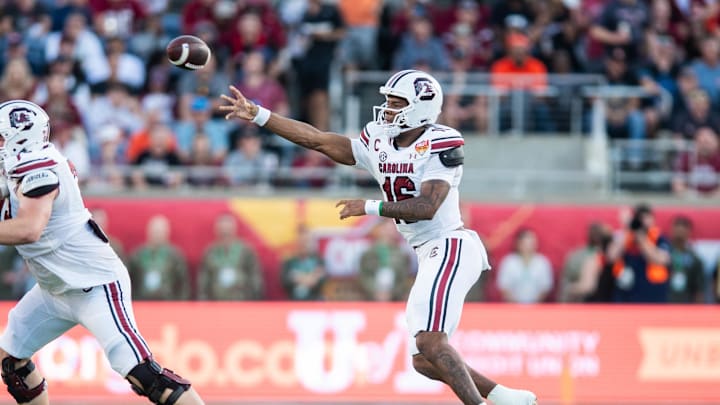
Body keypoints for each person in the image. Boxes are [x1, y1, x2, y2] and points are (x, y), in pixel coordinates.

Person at [220, 69, 537, 405]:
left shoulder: (442, 142)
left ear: (421, 108)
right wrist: (260, 115)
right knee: (423, 360)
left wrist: (369, 207)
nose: (386, 108)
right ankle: (503, 396)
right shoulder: (379, 139)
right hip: (429, 251)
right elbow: (317, 139)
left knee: (431, 342)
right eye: (387, 100)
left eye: (397, 102)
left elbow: (428, 206)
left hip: (451, 245)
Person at [0, 100, 204, 404]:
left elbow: (30, 228)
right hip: (55, 289)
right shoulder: (20, 163)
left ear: (19, 138)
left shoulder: (38, 168)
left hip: (95, 284)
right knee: (11, 361)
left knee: (145, 375)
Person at [606, 203, 671, 303]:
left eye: (646, 218)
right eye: (639, 218)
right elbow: (611, 257)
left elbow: (660, 260)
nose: (643, 222)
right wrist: (627, 229)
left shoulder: (660, 239)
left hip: (652, 297)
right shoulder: (623, 236)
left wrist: (639, 235)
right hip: (626, 296)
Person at [198, 213, 264, 300]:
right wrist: (203, 300)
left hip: (242, 302)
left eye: (228, 229)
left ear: (234, 229)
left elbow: (255, 278)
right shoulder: (210, 252)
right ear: (217, 230)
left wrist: (255, 300)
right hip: (216, 303)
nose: (225, 232)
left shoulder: (246, 251)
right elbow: (204, 280)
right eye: (222, 229)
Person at [128, 215, 191, 301]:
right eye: (155, 231)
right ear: (148, 231)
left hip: (168, 305)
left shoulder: (175, 256)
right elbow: (129, 281)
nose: (157, 234)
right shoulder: (137, 255)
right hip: (141, 305)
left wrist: (179, 305)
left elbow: (183, 285)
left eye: (160, 231)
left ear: (167, 232)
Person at [496, 228, 554, 304]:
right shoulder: (509, 262)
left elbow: (545, 286)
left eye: (531, 243)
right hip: (512, 307)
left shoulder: (542, 262)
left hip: (536, 307)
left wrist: (534, 303)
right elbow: (503, 285)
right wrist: (516, 303)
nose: (528, 246)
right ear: (518, 244)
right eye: (525, 243)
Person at [667, 216, 706, 303]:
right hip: (662, 303)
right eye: (677, 231)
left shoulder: (695, 259)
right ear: (672, 231)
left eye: (682, 231)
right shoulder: (662, 254)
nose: (679, 234)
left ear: (689, 233)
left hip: (686, 305)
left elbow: (699, 290)